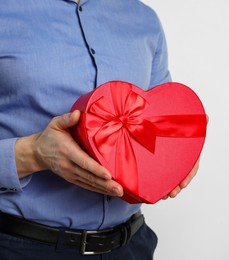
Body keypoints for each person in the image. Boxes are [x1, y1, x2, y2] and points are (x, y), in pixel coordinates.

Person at [0, 0, 200, 259]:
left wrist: (177, 155)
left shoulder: (144, 19)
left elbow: (158, 125)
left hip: (132, 246)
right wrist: (34, 154)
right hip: (22, 248)